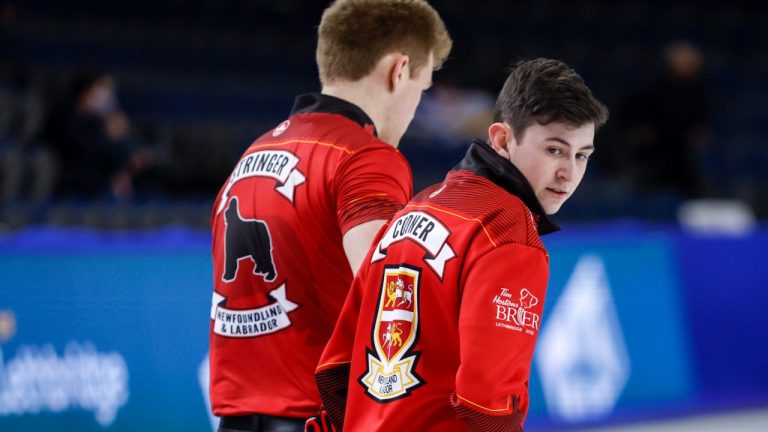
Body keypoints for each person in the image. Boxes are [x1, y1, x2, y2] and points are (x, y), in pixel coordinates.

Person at [315, 58, 608, 431]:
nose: (569, 172)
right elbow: (487, 402)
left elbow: (336, 367)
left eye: (582, 155)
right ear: (502, 140)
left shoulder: (417, 205)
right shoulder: (509, 231)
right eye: (554, 150)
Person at [208, 1, 452, 431]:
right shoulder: (368, 157)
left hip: (235, 418)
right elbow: (388, 300)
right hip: (319, 417)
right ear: (399, 70)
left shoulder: (254, 153)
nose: (417, 105)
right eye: (423, 86)